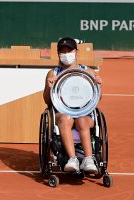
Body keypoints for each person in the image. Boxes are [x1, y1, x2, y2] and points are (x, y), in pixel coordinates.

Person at [43, 37, 102, 174]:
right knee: (65, 119)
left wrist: (98, 86)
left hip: (84, 114)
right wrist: (49, 87)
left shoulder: (88, 72)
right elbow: (47, 101)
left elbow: (96, 99)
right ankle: (72, 159)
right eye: (62, 51)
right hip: (62, 113)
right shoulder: (53, 73)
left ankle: (88, 159)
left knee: (81, 121)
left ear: (76, 52)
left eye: (69, 50)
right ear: (58, 54)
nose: (66, 54)